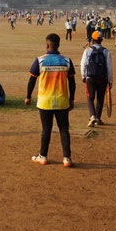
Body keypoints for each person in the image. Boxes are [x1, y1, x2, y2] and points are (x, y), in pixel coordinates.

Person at [26, 33, 76, 167]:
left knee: (46, 129)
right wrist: (72, 99)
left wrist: (28, 96)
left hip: (45, 101)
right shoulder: (67, 60)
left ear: (47, 45)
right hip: (62, 101)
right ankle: (67, 158)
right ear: (58, 45)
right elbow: (72, 82)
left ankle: (43, 156)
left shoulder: (40, 60)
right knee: (64, 129)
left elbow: (32, 80)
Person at [82, 31, 112, 127]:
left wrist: (83, 76)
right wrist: (110, 80)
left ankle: (92, 116)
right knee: (100, 98)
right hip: (102, 78)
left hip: (90, 78)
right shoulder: (106, 51)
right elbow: (109, 67)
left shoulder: (87, 50)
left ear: (92, 40)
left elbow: (84, 64)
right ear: (101, 40)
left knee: (90, 97)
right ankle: (98, 117)